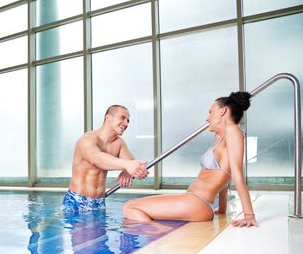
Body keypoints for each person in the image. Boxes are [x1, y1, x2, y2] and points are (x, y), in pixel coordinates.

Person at [123, 92, 258, 228]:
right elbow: (224, 173)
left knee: (130, 207)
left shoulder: (233, 131)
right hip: (196, 201)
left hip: (197, 202)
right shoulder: (220, 136)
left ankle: (157, 231)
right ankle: (159, 231)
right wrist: (222, 208)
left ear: (223, 111)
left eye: (211, 112)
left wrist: (249, 216)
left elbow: (236, 174)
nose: (207, 118)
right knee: (134, 206)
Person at [62, 105, 149, 213]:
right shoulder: (87, 139)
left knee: (100, 231)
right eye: (122, 118)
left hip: (100, 202)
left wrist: (129, 171)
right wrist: (126, 165)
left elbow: (131, 163)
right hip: (77, 201)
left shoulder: (119, 143)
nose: (126, 123)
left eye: (128, 120)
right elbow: (96, 158)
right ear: (108, 118)